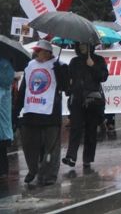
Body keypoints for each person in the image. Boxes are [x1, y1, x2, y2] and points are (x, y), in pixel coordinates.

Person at [15, 40, 69, 185]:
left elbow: (67, 89)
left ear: (48, 53)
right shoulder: (31, 65)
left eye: (39, 51)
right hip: (31, 112)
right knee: (29, 144)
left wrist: (59, 72)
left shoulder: (60, 65)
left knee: (51, 148)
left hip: (50, 113)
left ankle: (49, 175)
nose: (36, 53)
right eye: (36, 51)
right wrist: (16, 111)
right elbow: (24, 89)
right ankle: (33, 169)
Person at [62, 43, 108, 169]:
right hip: (77, 99)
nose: (82, 46)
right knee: (75, 128)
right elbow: (69, 79)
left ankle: (87, 158)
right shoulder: (74, 61)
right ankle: (71, 156)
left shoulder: (98, 60)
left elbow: (103, 77)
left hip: (93, 100)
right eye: (80, 44)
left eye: (84, 44)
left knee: (90, 130)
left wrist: (93, 66)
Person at [0, 57, 14, 177]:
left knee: (1, 150)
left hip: (1, 125)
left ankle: (3, 172)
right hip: (3, 126)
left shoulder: (4, 65)